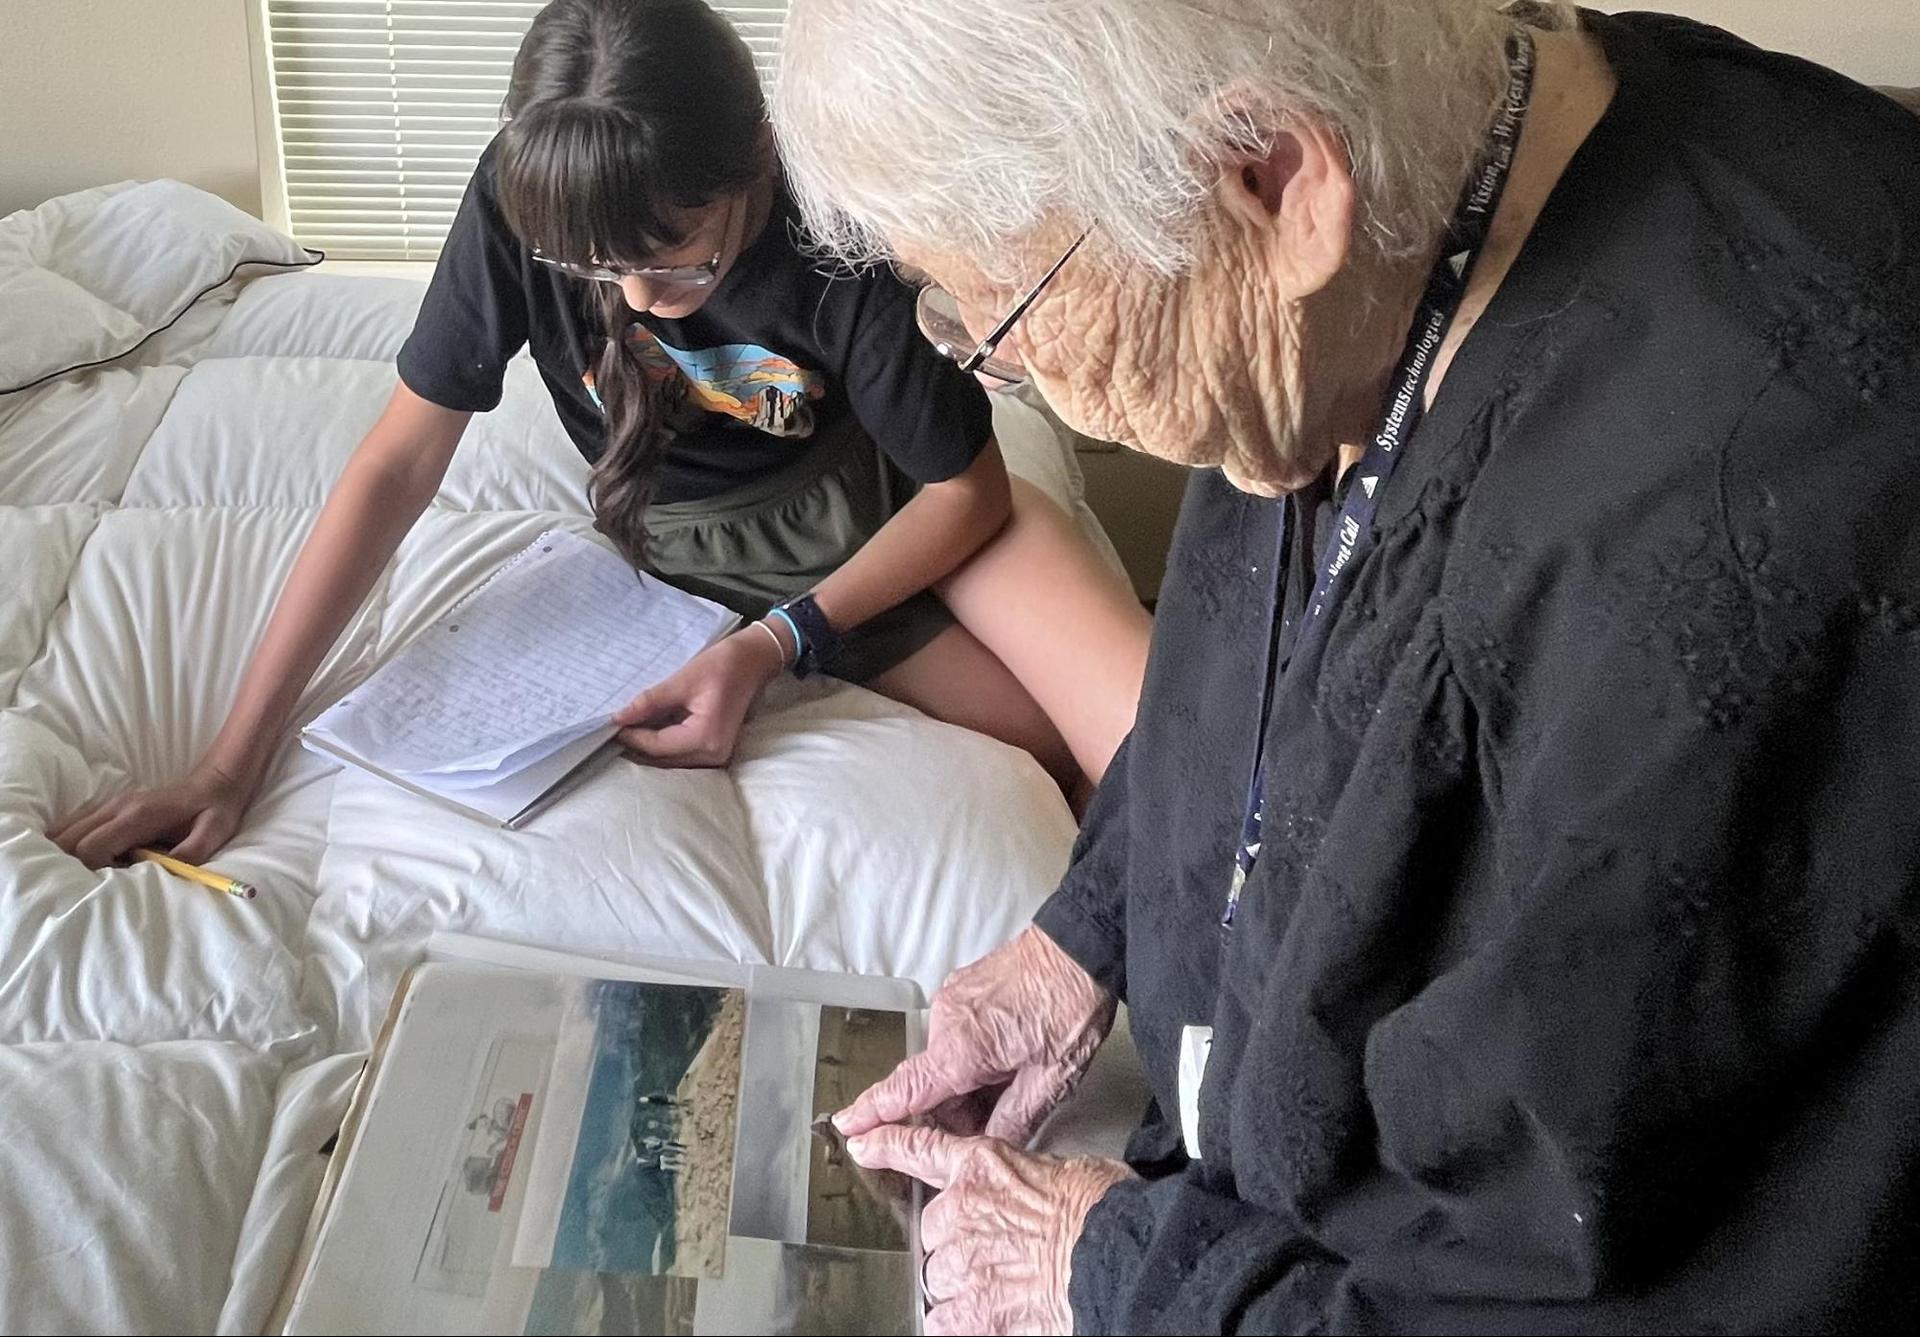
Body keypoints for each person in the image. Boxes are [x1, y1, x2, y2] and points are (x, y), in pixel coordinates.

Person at [772, 0, 1920, 1332]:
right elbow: (1276, 670)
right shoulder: (1397, 214)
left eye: (1008, 311)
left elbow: (1583, 1292)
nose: (1006, 365)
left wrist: (1107, 1266)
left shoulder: (1729, 570)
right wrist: (1077, 946)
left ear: (1276, 180)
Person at [51, 0, 1150, 869]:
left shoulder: (837, 234)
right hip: (720, 538)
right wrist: (230, 762)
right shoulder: (524, 205)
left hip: (899, 492)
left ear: (760, 154)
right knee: (1042, 754)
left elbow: (967, 492)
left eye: (678, 258)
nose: (632, 298)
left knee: (1139, 742)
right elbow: (396, 461)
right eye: (597, 270)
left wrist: (774, 647)